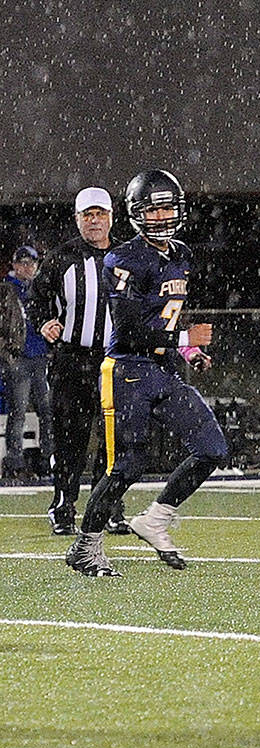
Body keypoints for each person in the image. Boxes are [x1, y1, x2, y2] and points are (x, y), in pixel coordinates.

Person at [65, 169, 227, 578]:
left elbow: (166, 314)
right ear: (137, 214)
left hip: (162, 368)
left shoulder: (181, 254)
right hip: (126, 371)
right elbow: (131, 327)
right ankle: (86, 547)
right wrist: (186, 335)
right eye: (152, 209)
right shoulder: (123, 258)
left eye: (168, 207)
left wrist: (188, 349)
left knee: (211, 446)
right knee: (126, 467)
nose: (161, 216)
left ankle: (155, 519)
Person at [33, 187, 129, 534]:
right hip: (72, 360)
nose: (94, 221)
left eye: (100, 214)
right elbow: (37, 298)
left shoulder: (127, 256)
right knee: (68, 438)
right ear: (77, 219)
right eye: (87, 215)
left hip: (114, 360)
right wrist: (44, 321)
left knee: (114, 439)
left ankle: (108, 506)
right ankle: (63, 505)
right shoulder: (61, 258)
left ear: (111, 217)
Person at [2, 246, 51, 480]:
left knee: (47, 412)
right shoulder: (6, 290)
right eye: (22, 263)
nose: (27, 267)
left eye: (31, 263)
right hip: (20, 358)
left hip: (40, 356)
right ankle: (15, 461)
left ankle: (48, 459)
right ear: (14, 265)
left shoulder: (40, 289)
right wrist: (8, 354)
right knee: (19, 412)